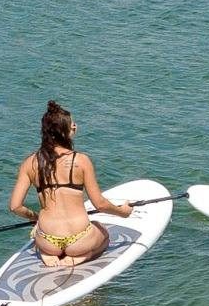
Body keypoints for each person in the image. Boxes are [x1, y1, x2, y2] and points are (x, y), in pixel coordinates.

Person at [10, 100, 133, 270]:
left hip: (47, 240)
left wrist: (35, 217)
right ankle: (81, 257)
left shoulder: (29, 163)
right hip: (79, 239)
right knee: (103, 234)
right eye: (72, 124)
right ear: (65, 131)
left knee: (41, 236)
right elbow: (100, 204)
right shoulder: (81, 161)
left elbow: (15, 206)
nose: (75, 127)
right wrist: (123, 212)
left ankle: (47, 254)